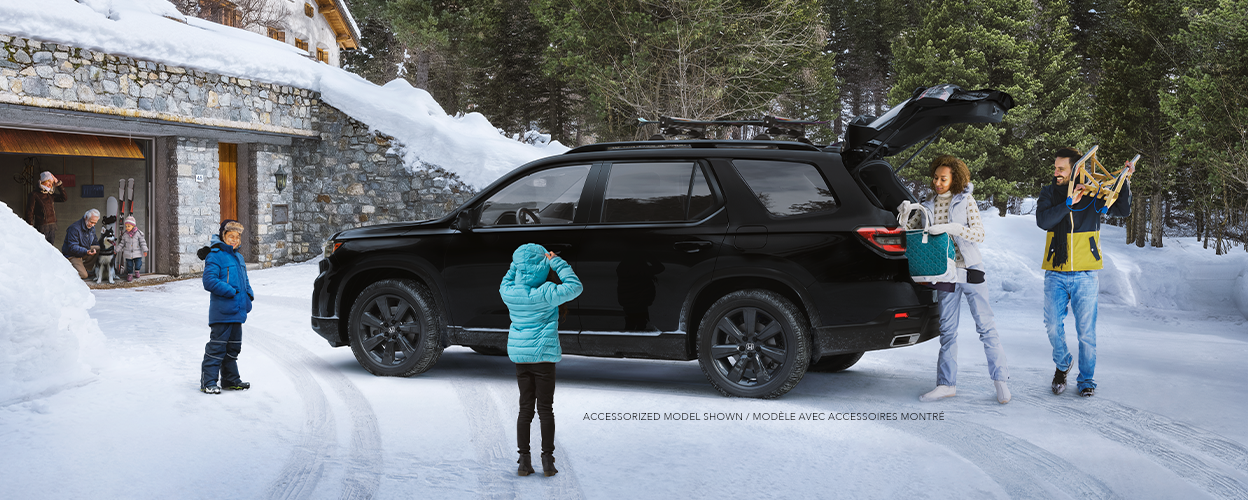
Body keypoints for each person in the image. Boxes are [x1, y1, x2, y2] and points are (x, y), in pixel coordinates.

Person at [906, 155, 1010, 404]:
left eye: (943, 178)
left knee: (986, 328)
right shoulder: (928, 204)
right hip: (944, 273)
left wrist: (951, 228)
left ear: (955, 178)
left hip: (971, 269)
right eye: (936, 177)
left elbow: (979, 234)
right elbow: (911, 230)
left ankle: (1001, 382)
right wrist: (905, 212)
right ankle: (945, 385)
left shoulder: (965, 201)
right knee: (948, 332)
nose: (938, 182)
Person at [1037, 147, 1133, 398]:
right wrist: (1068, 204)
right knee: (1051, 325)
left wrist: (1124, 181)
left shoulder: (1093, 193)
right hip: (1055, 272)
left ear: (1075, 170)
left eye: (1061, 169)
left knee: (1086, 331)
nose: (1056, 172)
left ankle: (1086, 380)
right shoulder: (1049, 192)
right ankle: (1062, 364)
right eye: (1055, 168)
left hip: (1086, 273)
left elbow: (1122, 209)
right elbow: (1043, 221)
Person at [499, 243, 582, 477]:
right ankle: (548, 460)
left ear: (519, 267)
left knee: (525, 409)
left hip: (521, 358)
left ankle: (524, 461)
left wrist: (516, 265)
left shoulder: (509, 293)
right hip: (543, 358)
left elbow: (507, 279)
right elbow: (575, 286)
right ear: (542, 266)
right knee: (546, 409)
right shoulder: (547, 291)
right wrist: (556, 261)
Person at [198, 219, 254, 395]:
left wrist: (249, 295)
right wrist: (230, 291)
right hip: (222, 312)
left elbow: (245, 281)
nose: (234, 240)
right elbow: (209, 281)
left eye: (237, 237)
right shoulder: (215, 255)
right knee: (217, 348)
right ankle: (208, 382)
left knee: (233, 348)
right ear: (223, 236)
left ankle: (230, 380)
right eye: (231, 236)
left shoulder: (238, 257)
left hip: (238, 311)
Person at [25, 171, 66, 245]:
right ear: (43, 181)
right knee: (41, 250)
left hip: (52, 227)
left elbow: (64, 198)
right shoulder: (34, 194)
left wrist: (58, 184)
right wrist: (29, 227)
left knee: (50, 251)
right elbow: (29, 212)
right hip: (41, 227)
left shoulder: (50, 195)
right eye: (49, 181)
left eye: (52, 182)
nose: (50, 184)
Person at [62, 209, 100, 280]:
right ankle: (67, 271)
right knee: (84, 275)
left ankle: (85, 268)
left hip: (83, 251)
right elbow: (72, 247)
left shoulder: (92, 227)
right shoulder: (74, 228)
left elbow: (95, 241)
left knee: (97, 248)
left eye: (95, 223)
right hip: (72, 255)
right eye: (91, 222)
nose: (92, 225)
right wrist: (85, 251)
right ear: (86, 218)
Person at [117, 216, 148, 282]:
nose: (127, 228)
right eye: (126, 226)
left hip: (137, 253)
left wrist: (145, 250)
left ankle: (137, 271)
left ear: (133, 226)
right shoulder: (125, 234)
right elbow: (122, 243)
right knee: (129, 265)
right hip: (128, 253)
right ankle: (130, 274)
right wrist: (117, 250)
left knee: (138, 264)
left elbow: (143, 242)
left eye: (129, 226)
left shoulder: (138, 233)